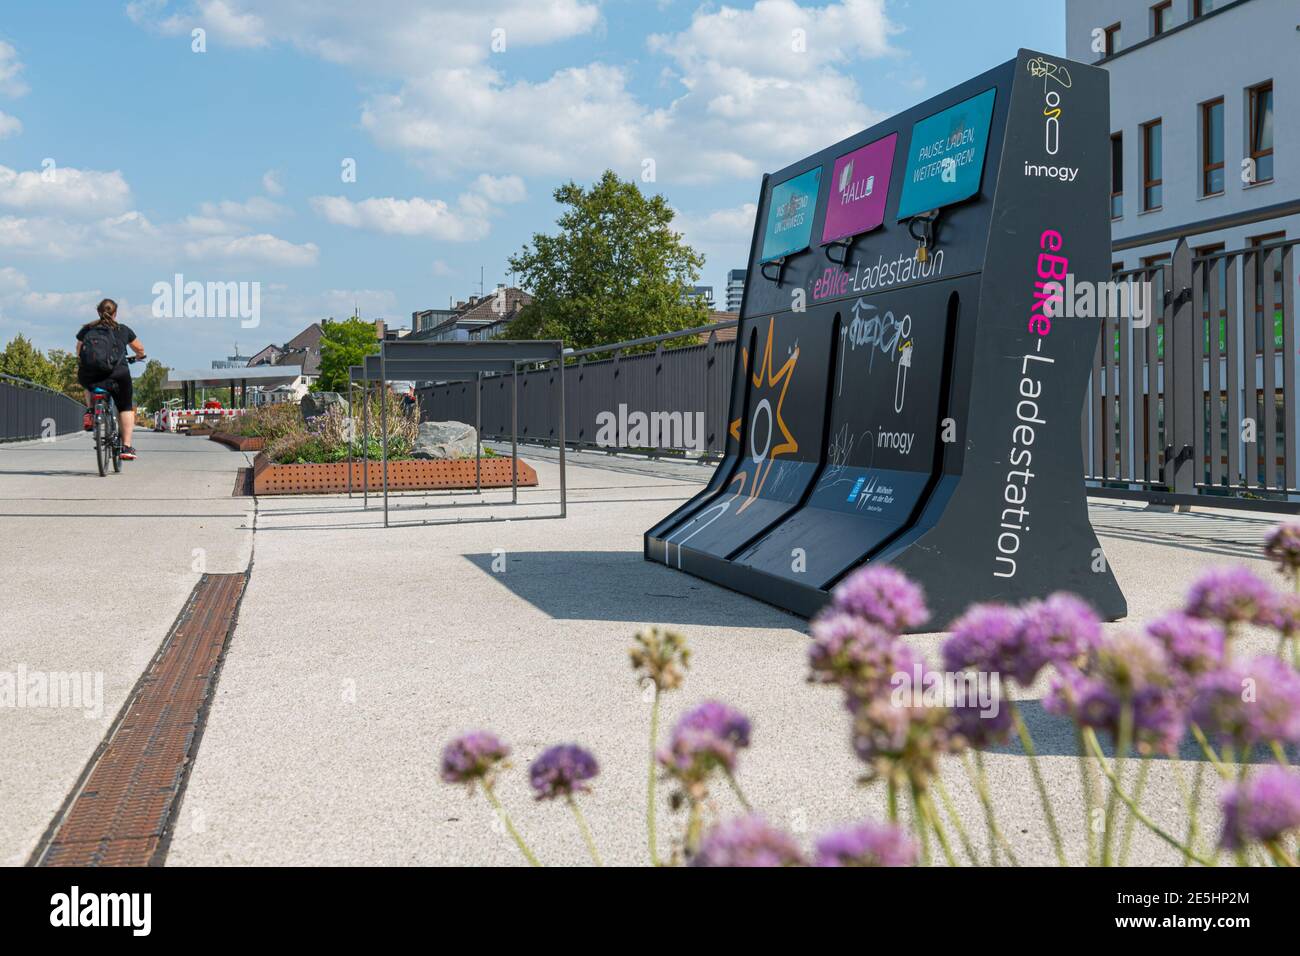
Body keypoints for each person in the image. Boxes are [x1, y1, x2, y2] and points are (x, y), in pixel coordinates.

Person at [77, 298, 146, 460]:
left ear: (98, 312)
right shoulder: (122, 330)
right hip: (117, 375)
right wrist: (139, 356)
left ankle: (90, 411)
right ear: (115, 313)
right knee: (125, 407)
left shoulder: (87, 329)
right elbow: (140, 348)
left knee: (86, 377)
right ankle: (127, 447)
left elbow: (79, 349)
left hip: (92, 377)